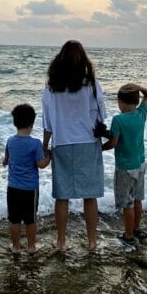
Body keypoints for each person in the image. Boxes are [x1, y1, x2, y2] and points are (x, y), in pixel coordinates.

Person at [41, 40, 106, 252]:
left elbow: (48, 122)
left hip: (62, 143)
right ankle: (92, 242)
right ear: (83, 60)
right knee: (90, 195)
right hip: (88, 142)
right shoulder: (92, 85)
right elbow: (101, 116)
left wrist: (44, 146)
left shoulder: (51, 87)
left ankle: (60, 242)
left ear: (59, 61)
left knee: (62, 196)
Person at [102, 83, 147, 245]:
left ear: (120, 101)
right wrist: (137, 87)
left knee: (127, 204)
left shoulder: (118, 119)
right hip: (140, 164)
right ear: (136, 101)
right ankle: (136, 229)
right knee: (137, 199)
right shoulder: (141, 114)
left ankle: (128, 236)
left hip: (125, 167)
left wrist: (99, 149)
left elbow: (113, 143)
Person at [2, 103, 51, 254]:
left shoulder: (10, 141)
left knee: (14, 219)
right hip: (30, 189)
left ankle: (15, 247)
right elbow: (41, 164)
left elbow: (6, 160)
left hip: (13, 188)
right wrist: (50, 156)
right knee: (30, 220)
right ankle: (31, 247)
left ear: (15, 122)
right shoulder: (35, 143)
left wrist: (4, 162)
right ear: (32, 123)